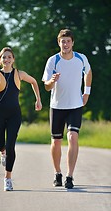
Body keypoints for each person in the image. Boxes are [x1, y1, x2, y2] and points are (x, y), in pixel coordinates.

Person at [42, 29, 92, 189]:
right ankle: (58, 173)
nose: (65, 44)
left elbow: (89, 73)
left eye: (68, 41)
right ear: (59, 43)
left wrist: (86, 93)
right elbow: (47, 87)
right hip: (57, 106)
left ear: (72, 42)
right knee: (56, 142)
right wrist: (52, 80)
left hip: (75, 105)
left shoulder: (81, 58)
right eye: (63, 41)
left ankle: (69, 176)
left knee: (72, 137)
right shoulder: (53, 61)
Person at [0, 47, 42, 191]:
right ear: (0, 60)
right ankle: (2, 151)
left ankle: (7, 178)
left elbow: (34, 82)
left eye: (9, 57)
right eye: (3, 57)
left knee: (11, 144)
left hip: (14, 114)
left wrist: (38, 99)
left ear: (13, 59)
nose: (6, 60)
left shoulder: (19, 74)